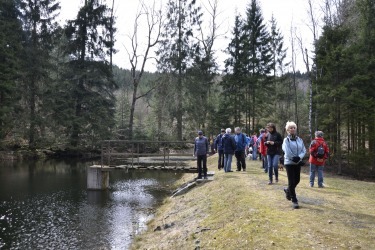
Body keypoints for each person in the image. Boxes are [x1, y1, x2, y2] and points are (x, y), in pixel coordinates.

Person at [282, 121, 306, 209]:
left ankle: (288, 190)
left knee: (297, 180)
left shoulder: (299, 139)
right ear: (288, 130)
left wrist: (299, 157)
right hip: (289, 163)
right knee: (291, 181)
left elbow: (304, 150)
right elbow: (286, 151)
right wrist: (293, 158)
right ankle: (294, 200)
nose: (292, 129)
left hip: (297, 162)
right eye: (290, 128)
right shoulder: (286, 140)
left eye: (294, 128)